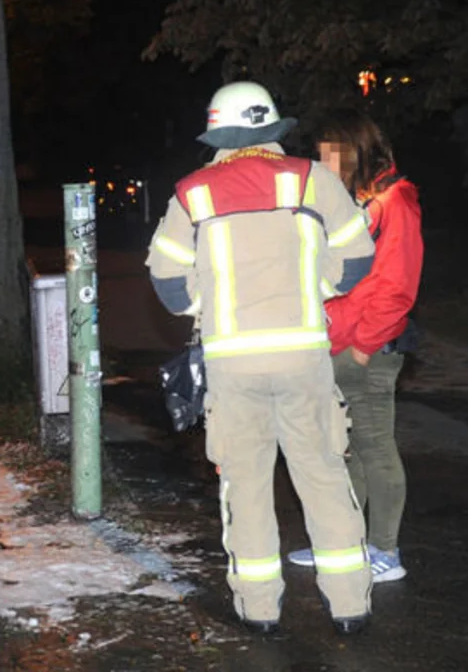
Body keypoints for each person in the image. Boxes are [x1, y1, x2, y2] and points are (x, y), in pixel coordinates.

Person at [146, 81, 377, 635]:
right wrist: (313, 286)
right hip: (303, 358)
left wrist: (209, 304)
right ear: (273, 129)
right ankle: (349, 606)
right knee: (322, 477)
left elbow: (166, 276)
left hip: (232, 365)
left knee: (245, 486)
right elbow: (357, 257)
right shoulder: (312, 180)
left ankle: (259, 609)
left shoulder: (192, 193)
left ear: (218, 134)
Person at [286, 111, 423, 583]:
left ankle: (386, 550)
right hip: (341, 344)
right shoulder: (362, 200)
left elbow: (397, 287)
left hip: (368, 350)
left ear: (354, 150)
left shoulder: (396, 201)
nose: (322, 163)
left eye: (330, 154)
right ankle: (342, 544)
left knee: (375, 449)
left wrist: (363, 348)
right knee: (345, 452)